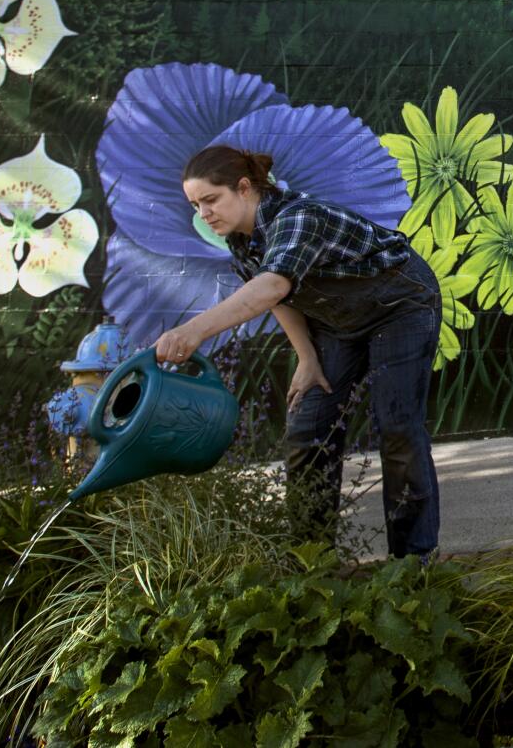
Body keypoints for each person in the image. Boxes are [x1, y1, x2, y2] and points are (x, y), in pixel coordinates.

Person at [152, 144, 442, 560]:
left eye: (211, 200)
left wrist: (194, 331)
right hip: (339, 322)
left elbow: (272, 285)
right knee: (309, 428)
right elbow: (280, 299)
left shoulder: (298, 217)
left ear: (245, 188)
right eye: (196, 205)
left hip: (399, 307)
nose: (204, 213)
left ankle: (414, 563)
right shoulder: (240, 238)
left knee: (398, 428)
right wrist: (307, 358)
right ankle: (311, 563)